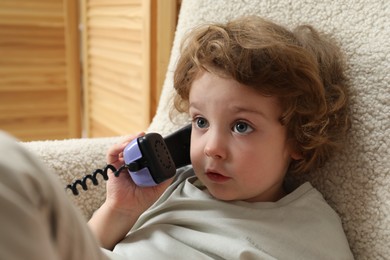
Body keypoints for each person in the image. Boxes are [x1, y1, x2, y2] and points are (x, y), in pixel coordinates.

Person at [0, 16, 353, 259]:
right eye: (200, 121)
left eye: (241, 126)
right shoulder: (176, 184)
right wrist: (120, 210)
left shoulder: (309, 227)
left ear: (299, 137)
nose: (211, 147)